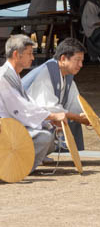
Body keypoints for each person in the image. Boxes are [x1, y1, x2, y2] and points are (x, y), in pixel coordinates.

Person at [0, 35, 67, 171]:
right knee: (44, 138)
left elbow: (26, 105)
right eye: (29, 53)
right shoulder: (4, 76)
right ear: (16, 55)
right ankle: (14, 169)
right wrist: (53, 116)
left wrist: (47, 121)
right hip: (5, 130)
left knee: (51, 133)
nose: (32, 57)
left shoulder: (13, 75)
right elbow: (20, 108)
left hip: (13, 125)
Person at [23, 38, 91, 151]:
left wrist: (86, 116)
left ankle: (47, 151)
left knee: (72, 118)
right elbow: (49, 108)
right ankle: (40, 152)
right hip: (23, 123)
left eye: (82, 61)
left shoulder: (68, 75)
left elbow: (75, 103)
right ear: (63, 58)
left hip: (38, 119)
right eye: (77, 60)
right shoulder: (46, 72)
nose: (81, 65)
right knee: (64, 118)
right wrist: (76, 117)